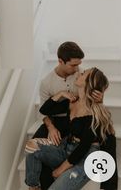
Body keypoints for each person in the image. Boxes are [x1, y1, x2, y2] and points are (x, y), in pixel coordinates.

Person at [25, 67, 117, 190]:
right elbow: (44, 110)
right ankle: (33, 186)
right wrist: (60, 94)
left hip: (86, 158)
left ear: (88, 83)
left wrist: (59, 170)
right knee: (31, 145)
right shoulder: (73, 101)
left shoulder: (94, 113)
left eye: (83, 74)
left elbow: (83, 148)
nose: (79, 73)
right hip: (67, 148)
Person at [32, 42, 104, 190]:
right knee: (35, 144)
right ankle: (38, 184)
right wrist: (51, 127)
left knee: (105, 135)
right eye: (73, 65)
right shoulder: (47, 83)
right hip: (58, 119)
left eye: (79, 65)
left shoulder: (81, 76)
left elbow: (92, 95)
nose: (77, 69)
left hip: (78, 122)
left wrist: (100, 98)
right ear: (60, 61)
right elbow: (44, 111)